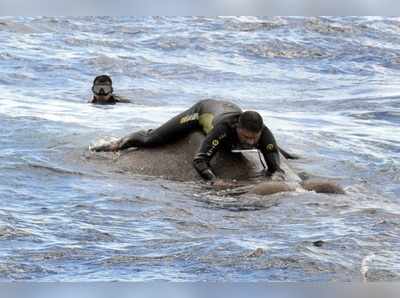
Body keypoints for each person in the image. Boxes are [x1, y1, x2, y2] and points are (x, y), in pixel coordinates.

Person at [91, 99, 286, 186]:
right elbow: (199, 160)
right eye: (246, 138)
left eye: (255, 138)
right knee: (151, 139)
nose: (251, 142)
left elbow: (275, 167)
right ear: (237, 129)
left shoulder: (264, 134)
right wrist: (214, 180)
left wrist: (276, 176)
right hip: (203, 111)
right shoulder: (223, 130)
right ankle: (117, 143)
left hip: (230, 108)